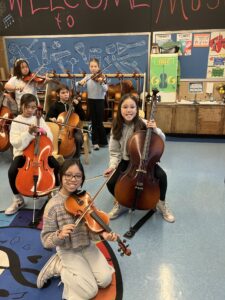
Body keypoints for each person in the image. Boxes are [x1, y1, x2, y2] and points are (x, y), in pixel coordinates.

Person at [37, 159, 117, 300]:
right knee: (89, 292)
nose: (73, 180)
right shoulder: (52, 206)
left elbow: (93, 229)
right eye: (68, 175)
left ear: (82, 179)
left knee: (105, 280)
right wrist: (59, 234)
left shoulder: (86, 198)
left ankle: (82, 269)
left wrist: (103, 234)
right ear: (61, 176)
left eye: (77, 176)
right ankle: (58, 265)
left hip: (87, 246)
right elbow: (46, 241)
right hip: (68, 250)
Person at [104, 94, 175, 223]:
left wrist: (156, 130)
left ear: (137, 109)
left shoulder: (144, 123)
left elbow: (161, 139)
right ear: (120, 109)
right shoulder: (116, 127)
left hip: (144, 162)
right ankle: (121, 202)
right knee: (110, 183)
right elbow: (114, 152)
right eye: (125, 107)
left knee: (162, 176)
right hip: (126, 162)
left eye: (132, 107)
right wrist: (112, 166)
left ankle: (161, 202)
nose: (128, 110)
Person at [5, 93, 60, 215]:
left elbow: (50, 137)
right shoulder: (16, 121)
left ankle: (55, 192)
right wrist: (29, 133)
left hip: (41, 153)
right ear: (22, 106)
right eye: (27, 107)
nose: (30, 110)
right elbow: (16, 143)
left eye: (33, 107)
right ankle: (18, 200)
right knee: (12, 171)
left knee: (57, 166)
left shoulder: (38, 119)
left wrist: (43, 131)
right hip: (23, 154)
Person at [46, 84, 86, 159]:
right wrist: (52, 119)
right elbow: (47, 118)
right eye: (63, 93)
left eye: (67, 92)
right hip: (59, 130)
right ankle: (57, 155)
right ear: (58, 94)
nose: (66, 94)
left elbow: (83, 117)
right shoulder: (55, 105)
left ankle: (76, 158)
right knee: (53, 138)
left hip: (73, 129)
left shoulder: (73, 104)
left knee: (78, 138)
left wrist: (78, 105)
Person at [78, 58, 108, 150]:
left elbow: (106, 89)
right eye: (91, 66)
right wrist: (80, 82)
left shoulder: (102, 77)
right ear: (89, 67)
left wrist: (101, 83)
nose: (93, 68)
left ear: (98, 67)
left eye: (95, 66)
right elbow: (78, 84)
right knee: (94, 122)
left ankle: (102, 141)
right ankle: (95, 142)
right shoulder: (88, 77)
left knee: (99, 121)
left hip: (100, 101)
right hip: (90, 101)